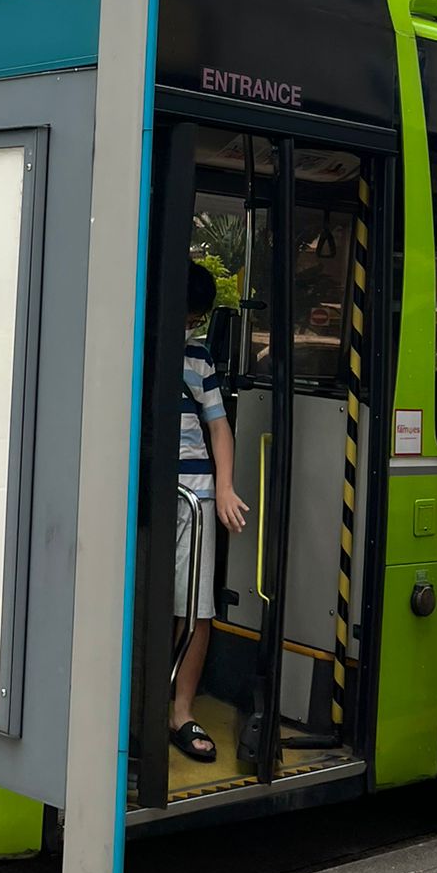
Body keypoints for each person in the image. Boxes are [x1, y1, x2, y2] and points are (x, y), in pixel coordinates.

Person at [172, 260, 249, 762]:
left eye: (194, 320)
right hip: (138, 489)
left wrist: (223, 489)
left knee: (195, 607)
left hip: (192, 491)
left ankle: (180, 710)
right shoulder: (125, 340)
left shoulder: (198, 359)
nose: (189, 328)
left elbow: (218, 426)